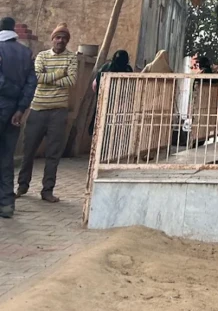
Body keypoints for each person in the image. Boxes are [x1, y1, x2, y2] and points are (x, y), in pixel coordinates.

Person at [17, 23, 77, 203]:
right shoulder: (42, 56)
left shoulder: (71, 58)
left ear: (67, 41)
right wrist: (60, 73)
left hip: (58, 112)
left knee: (53, 153)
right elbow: (37, 78)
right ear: (52, 39)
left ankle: (47, 190)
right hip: (37, 109)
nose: (61, 41)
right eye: (58, 37)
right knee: (28, 151)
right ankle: (22, 185)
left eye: (64, 38)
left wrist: (49, 77)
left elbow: (72, 80)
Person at [0, 16, 37, 218]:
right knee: (6, 157)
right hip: (15, 112)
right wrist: (20, 108)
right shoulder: (26, 53)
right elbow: (32, 83)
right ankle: (6, 204)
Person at [88, 50, 133, 136]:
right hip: (114, 104)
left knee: (101, 124)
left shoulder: (105, 67)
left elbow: (94, 86)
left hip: (105, 102)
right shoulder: (127, 69)